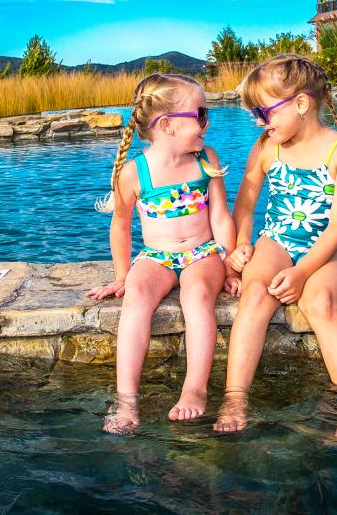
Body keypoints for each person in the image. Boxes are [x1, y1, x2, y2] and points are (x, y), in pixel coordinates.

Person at [214, 54, 337, 439]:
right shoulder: (268, 146)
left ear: (301, 103)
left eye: (264, 112)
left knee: (321, 303)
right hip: (277, 240)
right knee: (254, 294)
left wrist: (302, 272)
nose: (259, 121)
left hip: (326, 249)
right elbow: (246, 202)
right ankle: (235, 397)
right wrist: (241, 245)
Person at [87, 73, 237, 433]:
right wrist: (122, 276)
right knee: (136, 298)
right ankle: (127, 400)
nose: (207, 122)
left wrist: (231, 267)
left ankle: (194, 388)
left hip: (203, 253)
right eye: (200, 115)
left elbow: (220, 215)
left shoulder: (206, 159)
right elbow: (120, 225)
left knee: (197, 295)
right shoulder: (134, 172)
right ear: (167, 125)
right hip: (156, 255)